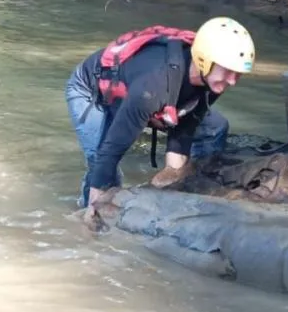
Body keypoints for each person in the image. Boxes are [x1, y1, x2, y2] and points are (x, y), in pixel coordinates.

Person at [64, 16, 256, 212]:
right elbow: (110, 153)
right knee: (103, 166)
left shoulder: (212, 81)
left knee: (215, 128)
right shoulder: (153, 87)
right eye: (229, 71)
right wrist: (94, 211)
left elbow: (187, 123)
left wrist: (173, 175)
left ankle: (196, 190)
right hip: (91, 90)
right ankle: (84, 212)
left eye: (239, 74)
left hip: (144, 96)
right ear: (204, 61)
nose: (233, 81)